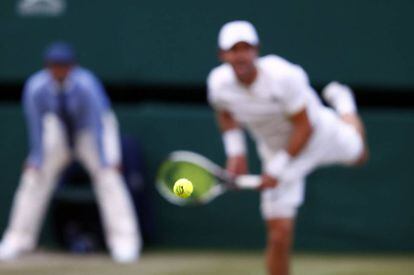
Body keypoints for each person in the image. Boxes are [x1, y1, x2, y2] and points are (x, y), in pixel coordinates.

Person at [207, 21, 368, 275]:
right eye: (233, 49)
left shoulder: (283, 75)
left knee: (359, 155)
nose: (240, 55)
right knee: (278, 234)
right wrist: (236, 152)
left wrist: (279, 167)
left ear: (256, 50)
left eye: (245, 48)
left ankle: (345, 106)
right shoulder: (217, 84)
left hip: (319, 135)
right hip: (274, 150)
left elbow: (304, 127)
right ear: (222, 55)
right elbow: (225, 114)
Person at [0, 42, 141, 263]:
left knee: (109, 178)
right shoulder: (36, 87)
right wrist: (36, 157)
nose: (59, 70)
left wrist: (107, 159)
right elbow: (36, 124)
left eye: (63, 65)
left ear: (72, 66)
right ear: (47, 67)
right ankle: (17, 240)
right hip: (57, 129)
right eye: (54, 65)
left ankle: (125, 242)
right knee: (33, 177)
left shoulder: (87, 85)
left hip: (93, 131)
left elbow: (97, 122)